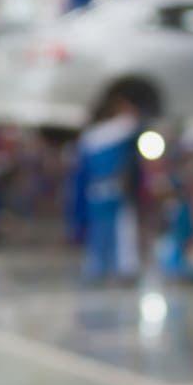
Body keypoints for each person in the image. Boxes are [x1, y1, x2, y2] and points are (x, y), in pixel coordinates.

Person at [70, 97, 143, 282]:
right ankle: (120, 268)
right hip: (113, 190)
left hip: (97, 191)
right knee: (119, 230)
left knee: (101, 230)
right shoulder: (118, 130)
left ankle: (100, 268)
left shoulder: (90, 137)